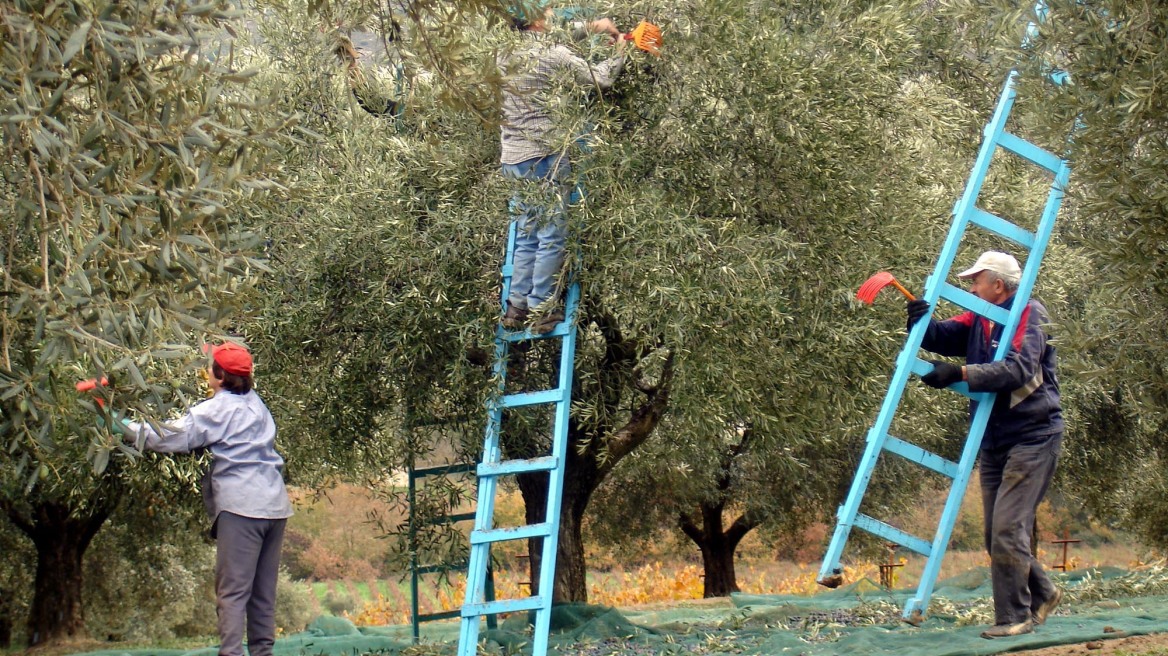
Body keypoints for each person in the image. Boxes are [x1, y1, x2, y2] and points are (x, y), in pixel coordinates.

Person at [906, 251, 1064, 639]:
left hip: (1034, 435)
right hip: (993, 438)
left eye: (975, 281)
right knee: (996, 533)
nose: (970, 287)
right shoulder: (980, 315)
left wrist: (960, 372)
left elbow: (1019, 369)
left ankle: (1015, 617)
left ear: (997, 285)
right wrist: (919, 320)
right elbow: (945, 336)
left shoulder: (1030, 312)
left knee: (1008, 528)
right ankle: (1043, 592)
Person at [125, 342, 293, 656]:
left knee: (232, 593)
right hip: (275, 506)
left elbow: (171, 435)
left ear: (219, 375)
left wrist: (124, 427)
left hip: (242, 507)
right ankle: (262, 653)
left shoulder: (217, 408)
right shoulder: (257, 404)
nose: (204, 371)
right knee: (263, 594)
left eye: (208, 366)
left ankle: (230, 653)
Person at [498, 0, 627, 334]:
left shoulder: (503, 54)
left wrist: (595, 27)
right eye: (547, 12)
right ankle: (543, 309)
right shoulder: (552, 53)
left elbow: (561, 37)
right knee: (552, 233)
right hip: (544, 156)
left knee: (527, 234)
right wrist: (621, 52)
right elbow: (600, 81)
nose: (552, 15)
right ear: (537, 21)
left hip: (512, 157)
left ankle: (516, 309)